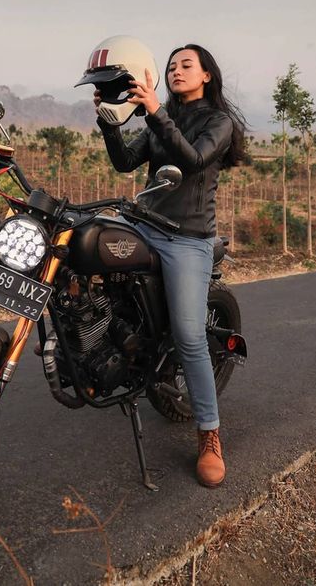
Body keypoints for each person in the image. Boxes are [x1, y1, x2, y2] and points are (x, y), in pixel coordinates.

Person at [94, 43, 246, 487]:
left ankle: (209, 434)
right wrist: (108, 121)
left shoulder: (219, 122)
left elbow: (193, 160)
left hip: (187, 237)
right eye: (171, 66)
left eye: (186, 65)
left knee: (190, 336)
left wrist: (156, 111)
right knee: (83, 246)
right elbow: (125, 161)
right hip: (144, 224)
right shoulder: (163, 118)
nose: (176, 71)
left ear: (206, 75)